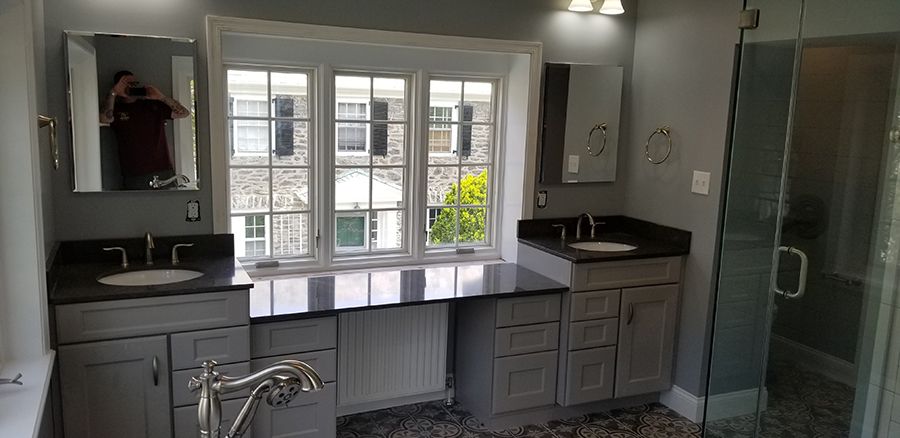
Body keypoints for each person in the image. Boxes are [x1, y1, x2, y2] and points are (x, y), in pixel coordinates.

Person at [99, 70, 191, 189]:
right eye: (126, 83)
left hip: (163, 171)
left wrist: (161, 97)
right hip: (135, 175)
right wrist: (113, 93)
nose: (132, 86)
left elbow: (184, 113)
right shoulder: (116, 109)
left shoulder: (152, 105)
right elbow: (105, 119)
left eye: (135, 83)